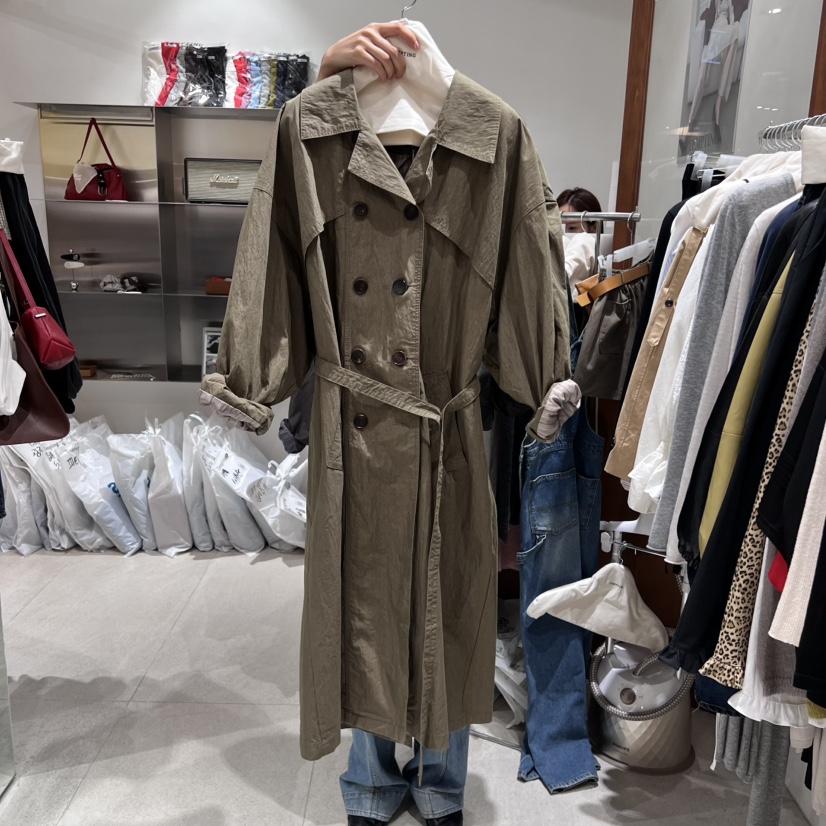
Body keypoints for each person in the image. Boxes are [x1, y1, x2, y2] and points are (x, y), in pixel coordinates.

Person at [307, 23, 468, 826]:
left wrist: (541, 372)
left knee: (450, 601)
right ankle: (371, 780)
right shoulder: (316, 132)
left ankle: (440, 782)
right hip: (357, 419)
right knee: (365, 602)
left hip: (446, 417)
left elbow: (525, 256)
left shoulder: (490, 137)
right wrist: (323, 80)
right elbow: (278, 238)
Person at [557, 187, 603, 290]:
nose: (564, 232)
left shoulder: (584, 241)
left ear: (594, 228)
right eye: (559, 228)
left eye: (572, 228)